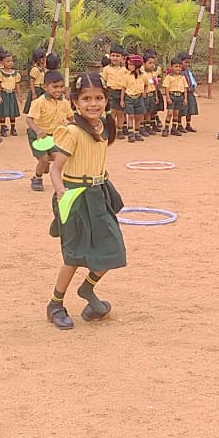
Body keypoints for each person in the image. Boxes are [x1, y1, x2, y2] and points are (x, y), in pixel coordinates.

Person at [45, 72, 126, 330]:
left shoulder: (104, 126)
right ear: (75, 102)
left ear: (106, 100)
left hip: (98, 195)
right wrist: (61, 191)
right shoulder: (72, 132)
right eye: (86, 99)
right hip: (75, 197)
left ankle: (87, 289)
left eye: (99, 98)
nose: (93, 104)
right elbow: (55, 169)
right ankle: (55, 305)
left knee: (113, 250)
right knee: (74, 255)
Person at [26, 70, 73, 191]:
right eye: (55, 87)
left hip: (55, 136)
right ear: (45, 87)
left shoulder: (65, 103)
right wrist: (37, 130)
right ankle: (37, 178)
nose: (59, 90)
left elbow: (71, 118)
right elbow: (29, 119)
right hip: (38, 136)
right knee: (44, 159)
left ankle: (53, 171)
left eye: (61, 87)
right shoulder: (39, 102)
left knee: (59, 158)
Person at [100, 44, 129, 134]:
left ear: (122, 57)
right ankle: (111, 130)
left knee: (121, 112)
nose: (115, 58)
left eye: (117, 56)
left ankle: (120, 130)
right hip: (111, 92)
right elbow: (103, 81)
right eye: (113, 55)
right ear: (110, 56)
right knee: (111, 112)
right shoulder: (106, 69)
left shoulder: (125, 70)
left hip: (121, 93)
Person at [122, 54, 147, 142]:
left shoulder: (143, 76)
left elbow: (146, 84)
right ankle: (130, 134)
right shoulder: (126, 76)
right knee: (130, 116)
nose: (129, 66)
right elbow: (123, 88)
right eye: (128, 64)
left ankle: (137, 133)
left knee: (138, 116)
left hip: (139, 97)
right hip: (129, 98)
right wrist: (122, 100)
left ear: (137, 65)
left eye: (131, 64)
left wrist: (144, 92)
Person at [161, 56, 189, 137]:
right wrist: (168, 97)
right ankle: (166, 128)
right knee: (170, 113)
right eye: (176, 66)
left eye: (180, 67)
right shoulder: (169, 77)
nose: (178, 68)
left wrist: (185, 98)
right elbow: (166, 88)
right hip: (172, 96)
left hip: (180, 96)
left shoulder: (182, 77)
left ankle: (174, 128)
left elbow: (185, 88)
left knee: (176, 113)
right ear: (171, 67)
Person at [0, 51, 21, 136]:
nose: (10, 63)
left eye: (11, 61)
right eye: (7, 61)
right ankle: (3, 129)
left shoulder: (15, 73)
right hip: (4, 93)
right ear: (2, 62)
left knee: (12, 112)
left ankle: (13, 128)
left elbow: (17, 84)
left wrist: (19, 95)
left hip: (12, 94)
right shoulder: (0, 72)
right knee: (3, 112)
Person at [142, 50, 162, 135]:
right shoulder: (142, 73)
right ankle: (141, 128)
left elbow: (155, 86)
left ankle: (148, 127)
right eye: (150, 63)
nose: (152, 65)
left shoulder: (153, 73)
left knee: (150, 112)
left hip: (152, 94)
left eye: (153, 63)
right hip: (145, 95)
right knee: (144, 112)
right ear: (144, 63)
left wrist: (156, 96)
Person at [25, 47, 48, 114]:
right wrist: (34, 93)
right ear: (37, 59)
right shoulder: (35, 69)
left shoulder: (43, 69)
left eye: (44, 57)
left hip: (42, 89)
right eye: (42, 58)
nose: (44, 59)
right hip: (36, 89)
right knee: (34, 108)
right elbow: (31, 81)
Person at [180, 53, 198, 132]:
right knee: (181, 110)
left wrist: (193, 87)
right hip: (182, 93)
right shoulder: (179, 72)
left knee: (190, 109)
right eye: (186, 62)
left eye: (188, 62)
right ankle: (179, 125)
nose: (187, 64)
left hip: (190, 93)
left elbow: (192, 80)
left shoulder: (188, 71)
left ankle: (188, 124)